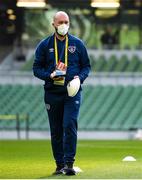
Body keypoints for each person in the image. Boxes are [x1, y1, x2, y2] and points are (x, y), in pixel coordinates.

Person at [33, 11, 91, 176]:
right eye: (60, 22)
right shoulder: (44, 45)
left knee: (69, 124)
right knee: (56, 129)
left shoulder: (77, 44)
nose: (63, 25)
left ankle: (69, 164)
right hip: (52, 92)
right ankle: (59, 165)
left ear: (69, 23)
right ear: (53, 25)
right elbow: (36, 69)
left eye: (66, 22)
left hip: (72, 92)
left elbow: (86, 66)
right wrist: (49, 76)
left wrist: (80, 78)